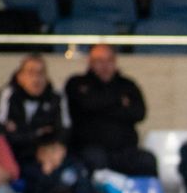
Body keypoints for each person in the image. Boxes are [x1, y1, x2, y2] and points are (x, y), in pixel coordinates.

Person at [64, 44, 156, 177]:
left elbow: (139, 113)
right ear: (90, 62)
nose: (105, 65)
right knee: (94, 160)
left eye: (109, 60)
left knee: (147, 160)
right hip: (90, 149)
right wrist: (119, 101)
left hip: (125, 150)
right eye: (99, 61)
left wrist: (98, 107)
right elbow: (86, 105)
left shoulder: (128, 85)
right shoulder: (77, 83)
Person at [0, 53, 69, 176]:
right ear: (20, 76)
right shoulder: (8, 94)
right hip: (12, 154)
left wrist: (50, 149)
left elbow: (63, 131)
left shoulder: (56, 97)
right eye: (31, 73)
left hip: (44, 156)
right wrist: (37, 133)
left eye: (41, 73)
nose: (36, 78)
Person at [18, 134, 93, 193]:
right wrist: (45, 175)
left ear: (64, 150)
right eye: (46, 151)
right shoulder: (31, 169)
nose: (50, 155)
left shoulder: (75, 166)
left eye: (55, 150)